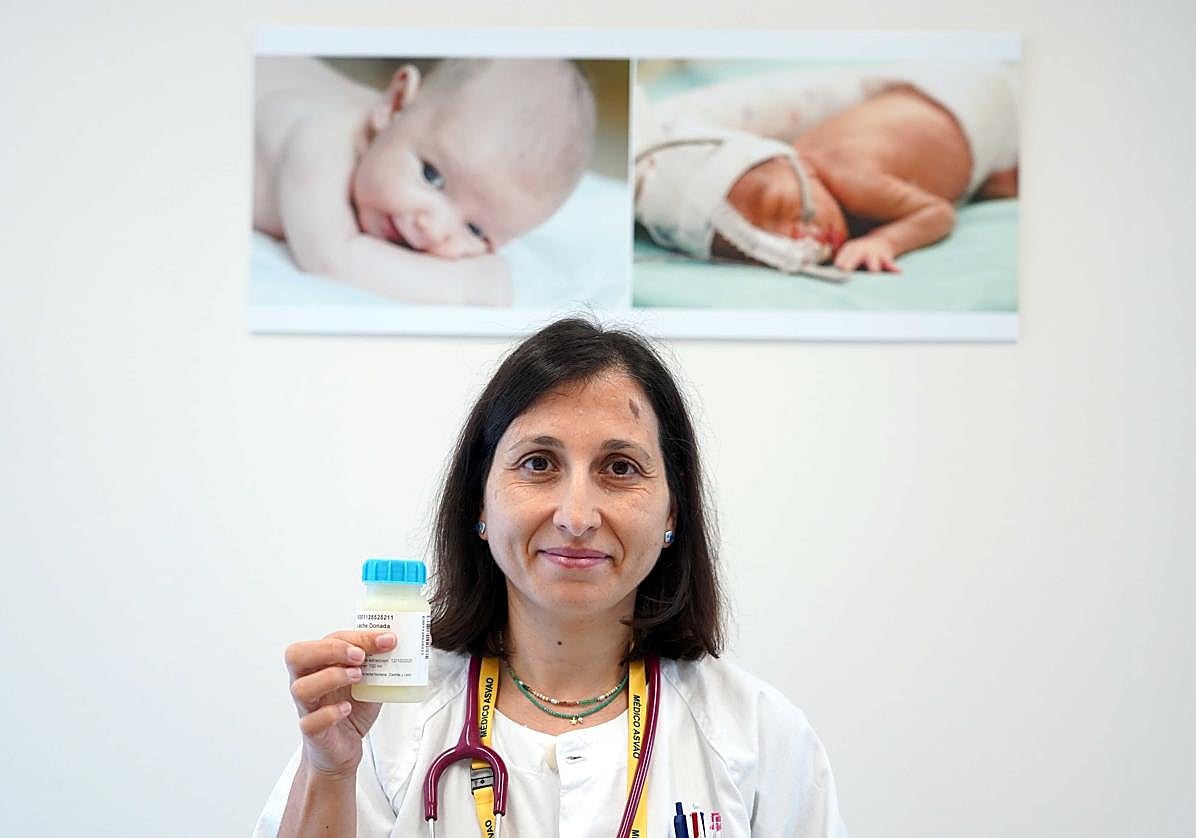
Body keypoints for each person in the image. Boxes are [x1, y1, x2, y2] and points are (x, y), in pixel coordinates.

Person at [254, 317, 849, 837]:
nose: (576, 517)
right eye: (539, 464)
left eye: (620, 468)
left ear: (673, 512)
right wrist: (329, 771)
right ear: (480, 504)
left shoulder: (759, 737)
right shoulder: (383, 724)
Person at [254, 58, 597, 306]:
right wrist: (463, 286)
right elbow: (331, 258)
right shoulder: (319, 140)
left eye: (476, 230)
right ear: (394, 105)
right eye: (432, 176)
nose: (433, 229)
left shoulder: (407, 141)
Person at [635, 63, 1019, 277]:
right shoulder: (812, 196)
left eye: (783, 209)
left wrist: (886, 241)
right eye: (765, 249)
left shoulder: (851, 177)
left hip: (972, 109)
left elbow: (937, 212)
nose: (801, 237)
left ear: (796, 164)